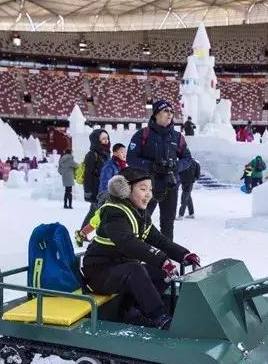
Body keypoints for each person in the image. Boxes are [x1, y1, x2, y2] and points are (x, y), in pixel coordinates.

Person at [80, 167, 201, 329]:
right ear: (125, 190)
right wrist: (161, 259)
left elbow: (160, 241)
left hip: (120, 269)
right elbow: (128, 243)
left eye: (150, 189)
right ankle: (158, 316)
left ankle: (134, 309)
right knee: (135, 269)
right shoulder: (114, 214)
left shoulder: (139, 214)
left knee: (160, 272)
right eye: (143, 189)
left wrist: (184, 254)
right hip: (99, 274)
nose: (148, 194)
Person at [126, 99, 192, 242]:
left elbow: (188, 159)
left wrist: (176, 166)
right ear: (156, 114)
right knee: (139, 222)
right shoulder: (142, 135)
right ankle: (137, 251)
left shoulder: (177, 137)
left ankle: (167, 253)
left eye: (172, 111)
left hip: (170, 186)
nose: (170, 114)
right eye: (165, 111)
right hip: (146, 187)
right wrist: (151, 166)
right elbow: (131, 159)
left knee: (168, 225)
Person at [80, 129, 111, 232]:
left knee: (95, 213)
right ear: (96, 140)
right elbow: (87, 175)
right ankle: (85, 234)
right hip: (95, 191)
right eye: (103, 139)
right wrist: (88, 192)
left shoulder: (106, 153)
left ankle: (82, 233)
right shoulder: (92, 155)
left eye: (107, 138)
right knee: (98, 214)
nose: (106, 140)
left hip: (105, 190)